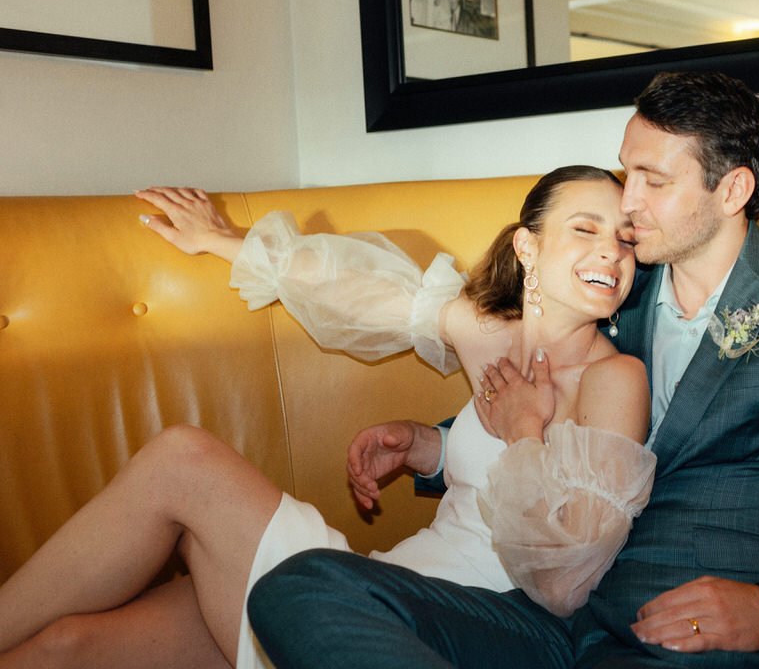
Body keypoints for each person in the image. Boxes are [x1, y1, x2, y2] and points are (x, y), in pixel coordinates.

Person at [248, 71, 759, 669]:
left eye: (653, 180)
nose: (628, 201)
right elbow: (562, 415)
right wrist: (434, 447)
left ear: (733, 189)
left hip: (693, 639)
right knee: (300, 585)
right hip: (555, 620)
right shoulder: (617, 288)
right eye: (625, 172)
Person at [0, 166, 655, 669]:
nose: (611, 253)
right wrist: (425, 445)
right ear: (527, 247)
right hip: (380, 582)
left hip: (454, 625)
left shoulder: (614, 379)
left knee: (183, 459)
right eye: (586, 229)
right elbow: (363, 292)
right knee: (66, 646)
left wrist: (522, 432)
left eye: (625, 240)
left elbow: (566, 583)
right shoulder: (489, 335)